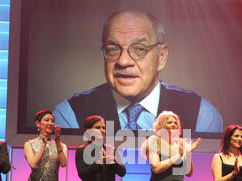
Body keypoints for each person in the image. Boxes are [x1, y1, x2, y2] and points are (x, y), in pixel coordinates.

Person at [54, 10, 223, 133]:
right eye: (113, 49)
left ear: (161, 57)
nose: (123, 61)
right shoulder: (69, 115)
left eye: (139, 49)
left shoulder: (202, 115)